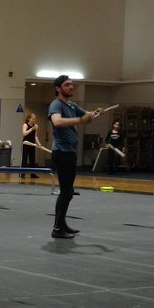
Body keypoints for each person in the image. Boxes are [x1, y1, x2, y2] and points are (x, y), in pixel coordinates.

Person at [48, 75, 103, 239]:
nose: (71, 87)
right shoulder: (56, 105)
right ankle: (57, 228)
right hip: (62, 152)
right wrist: (80, 120)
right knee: (66, 192)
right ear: (58, 88)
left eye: (72, 85)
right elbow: (57, 122)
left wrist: (97, 113)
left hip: (69, 152)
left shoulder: (71, 105)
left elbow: (88, 116)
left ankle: (62, 224)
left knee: (69, 191)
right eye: (67, 85)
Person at [20, 112, 40, 182]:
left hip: (32, 144)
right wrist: (31, 129)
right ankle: (22, 174)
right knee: (24, 159)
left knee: (32, 159)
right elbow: (24, 133)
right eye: (33, 118)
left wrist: (38, 143)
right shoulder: (25, 125)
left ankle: (33, 174)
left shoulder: (36, 126)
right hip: (26, 144)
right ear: (29, 119)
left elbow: (35, 136)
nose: (34, 120)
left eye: (35, 119)